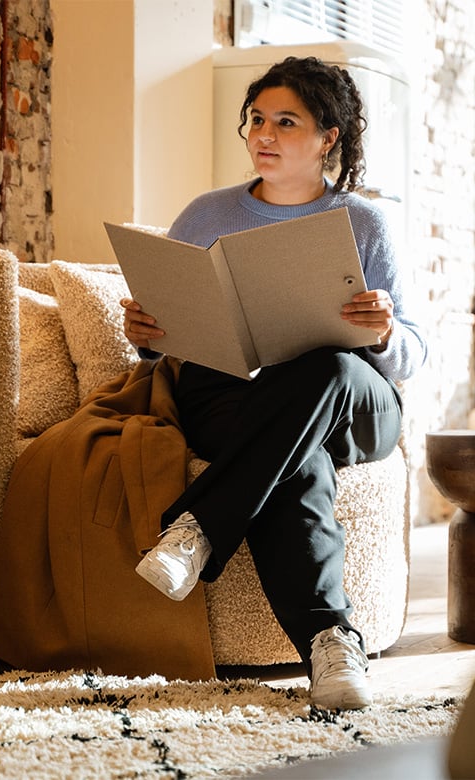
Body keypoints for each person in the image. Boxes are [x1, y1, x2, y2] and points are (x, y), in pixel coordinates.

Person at [120, 56, 427, 711]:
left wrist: (383, 333)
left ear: (328, 138)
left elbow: (414, 353)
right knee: (295, 459)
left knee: (323, 365)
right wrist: (148, 337)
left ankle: (200, 525)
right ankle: (332, 645)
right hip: (234, 397)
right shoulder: (206, 215)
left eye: (286, 122)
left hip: (354, 401)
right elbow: (167, 336)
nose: (264, 133)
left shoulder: (364, 223)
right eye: (257, 119)